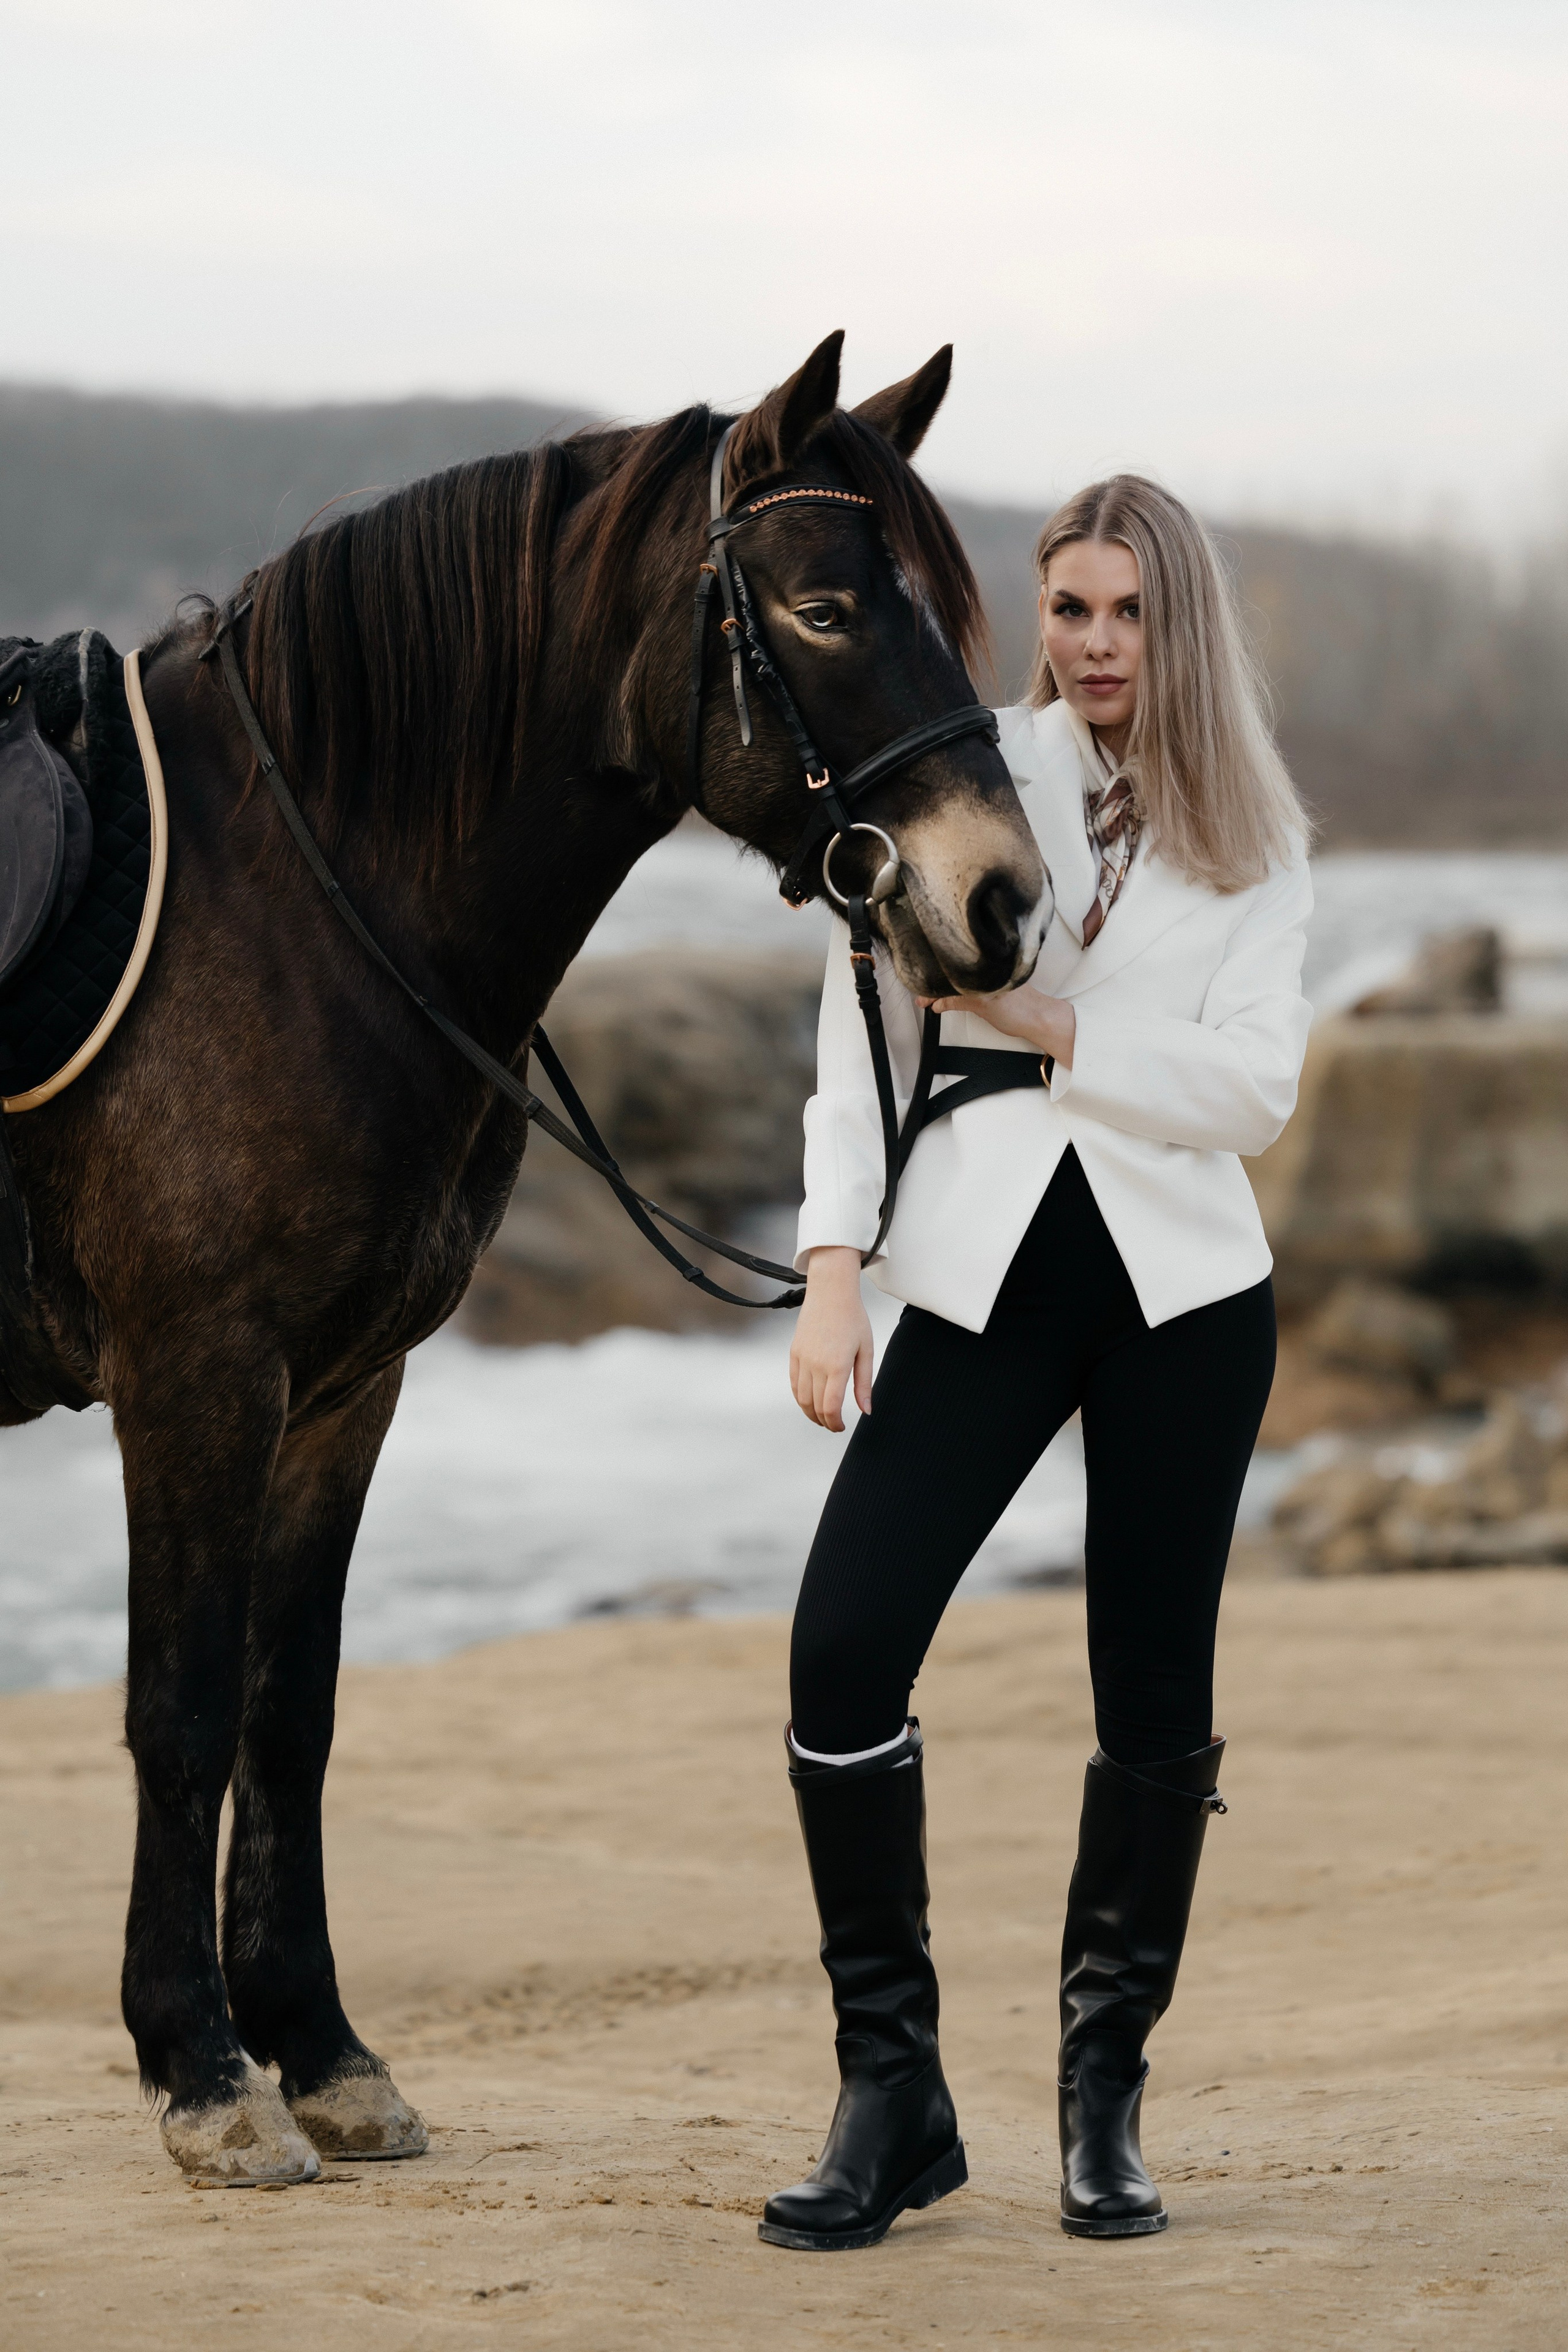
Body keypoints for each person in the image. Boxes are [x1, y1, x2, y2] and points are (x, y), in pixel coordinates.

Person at [757, 475, 1313, 2253]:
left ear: (1181, 626)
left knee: (1154, 1705)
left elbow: (1254, 1091)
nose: (1091, 644)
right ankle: (891, 2089)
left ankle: (1104, 2095)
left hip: (1187, 1294)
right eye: (1068, 609)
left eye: (1127, 614)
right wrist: (833, 1270)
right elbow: (865, 1041)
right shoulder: (954, 769)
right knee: (843, 1651)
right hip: (977, 1271)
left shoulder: (1261, 831)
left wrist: (1054, 1023)